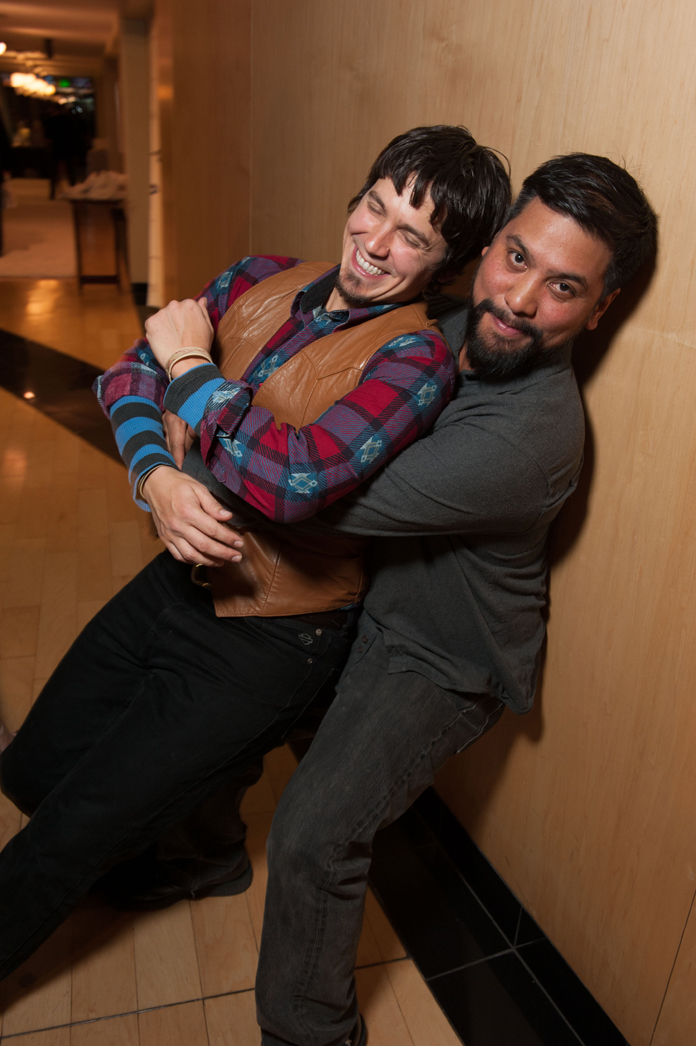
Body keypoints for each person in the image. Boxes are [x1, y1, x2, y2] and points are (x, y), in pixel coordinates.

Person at [0, 126, 511, 984]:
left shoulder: (416, 359)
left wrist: (188, 361)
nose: (375, 241)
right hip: (181, 577)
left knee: (67, 835)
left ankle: (142, 839)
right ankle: (200, 850)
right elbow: (124, 376)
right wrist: (157, 476)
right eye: (375, 206)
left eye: (413, 237)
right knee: (33, 771)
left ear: (444, 264)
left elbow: (293, 479)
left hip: (273, 635)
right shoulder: (257, 277)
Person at [246, 153, 656, 1046]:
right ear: (488, 243)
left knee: (313, 837)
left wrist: (183, 413)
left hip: (439, 658)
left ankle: (310, 1037)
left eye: (563, 287)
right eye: (516, 257)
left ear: (600, 308)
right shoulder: (435, 318)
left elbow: (310, 495)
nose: (519, 299)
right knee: (228, 690)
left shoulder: (531, 437)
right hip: (366, 593)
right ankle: (194, 852)